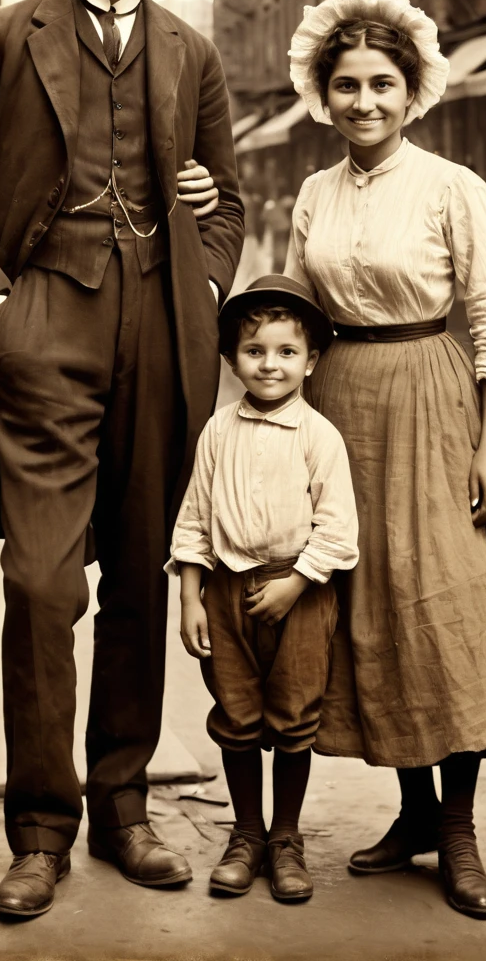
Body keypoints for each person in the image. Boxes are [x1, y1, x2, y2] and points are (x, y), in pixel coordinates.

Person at [0, 0, 245, 917]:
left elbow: (227, 199)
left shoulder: (193, 53)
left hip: (162, 327)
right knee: (42, 582)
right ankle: (40, 829)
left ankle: (123, 806)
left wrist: (201, 289)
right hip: (42, 321)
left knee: (145, 579)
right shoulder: (3, 38)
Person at [284, 0, 486, 921]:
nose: (363, 102)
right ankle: (408, 814)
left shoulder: (453, 186)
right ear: (323, 95)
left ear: (412, 94)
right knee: (366, 614)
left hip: (433, 402)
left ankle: (459, 831)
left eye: (382, 85)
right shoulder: (314, 193)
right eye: (347, 86)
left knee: (442, 610)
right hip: (338, 407)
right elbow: (297, 312)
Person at [167, 276, 358, 902]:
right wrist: (190, 595)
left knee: (294, 715)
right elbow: (195, 517)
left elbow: (337, 529)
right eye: (254, 351)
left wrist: (296, 583)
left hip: (299, 597)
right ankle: (245, 834)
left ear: (311, 361)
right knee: (238, 712)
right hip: (227, 595)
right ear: (231, 359)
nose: (270, 365)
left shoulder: (319, 437)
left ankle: (285, 837)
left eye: (286, 352)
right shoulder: (219, 431)